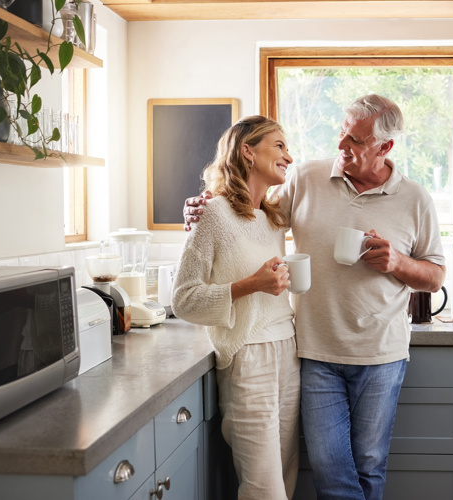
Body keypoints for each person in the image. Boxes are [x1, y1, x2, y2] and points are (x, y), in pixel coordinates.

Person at [184, 94, 446, 500]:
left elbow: (434, 276)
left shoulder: (415, 199)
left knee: (369, 468)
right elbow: (252, 215)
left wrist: (397, 262)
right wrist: (203, 206)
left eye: (355, 140)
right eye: (341, 132)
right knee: (330, 472)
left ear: (385, 147)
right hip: (314, 353)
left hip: (382, 356)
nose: (342, 144)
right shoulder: (305, 179)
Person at [171, 115, 300, 500]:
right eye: (279, 146)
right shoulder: (212, 214)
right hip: (248, 358)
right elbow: (184, 299)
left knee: (286, 479)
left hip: (288, 353)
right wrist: (250, 285)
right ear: (247, 151)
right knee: (265, 491)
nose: (288, 157)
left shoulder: (273, 218)